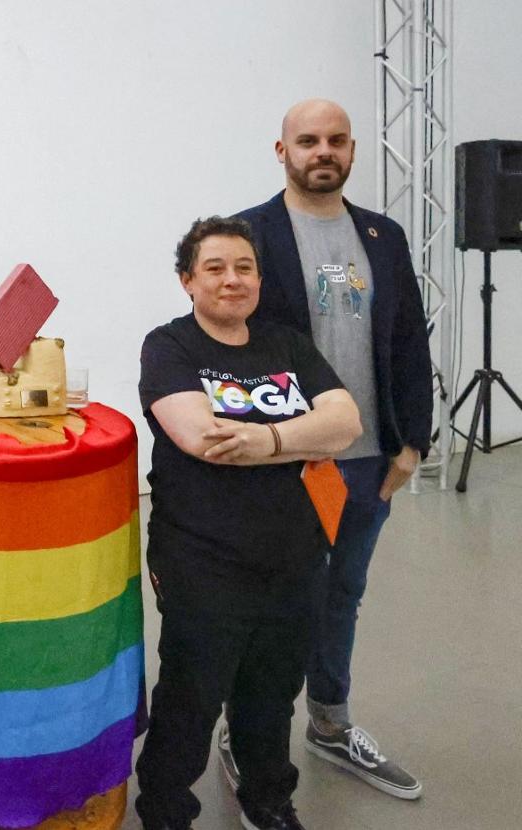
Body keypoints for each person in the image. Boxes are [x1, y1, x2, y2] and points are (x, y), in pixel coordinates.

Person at [218, 98, 431, 801]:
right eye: (307, 140)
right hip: (288, 457)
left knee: (342, 593)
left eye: (336, 140)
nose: (323, 151)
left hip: (369, 457)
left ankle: (330, 725)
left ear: (353, 150)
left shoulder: (383, 235)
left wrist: (412, 444)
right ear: (282, 151)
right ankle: (245, 729)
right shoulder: (248, 233)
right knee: (271, 598)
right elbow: (227, 343)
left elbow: (407, 341)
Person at [134, 217, 362, 830]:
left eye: (244, 268)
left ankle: (268, 800)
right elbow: (202, 438)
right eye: (214, 268)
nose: (231, 280)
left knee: (270, 696)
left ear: (259, 278)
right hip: (203, 559)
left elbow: (345, 425)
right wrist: (297, 440)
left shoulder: (286, 344)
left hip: (295, 557)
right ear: (188, 280)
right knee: (192, 696)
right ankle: (164, 810)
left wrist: (263, 439)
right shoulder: (171, 346)